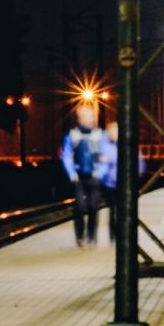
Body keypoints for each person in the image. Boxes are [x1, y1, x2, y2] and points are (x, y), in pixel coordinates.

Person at [60, 104, 106, 247]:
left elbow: (105, 155)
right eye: (85, 116)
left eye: (91, 116)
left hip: (94, 175)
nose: (89, 119)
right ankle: (80, 237)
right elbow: (67, 155)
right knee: (79, 206)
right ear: (79, 118)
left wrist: (100, 171)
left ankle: (91, 237)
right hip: (78, 176)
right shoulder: (72, 135)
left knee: (93, 206)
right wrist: (71, 172)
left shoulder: (99, 135)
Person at [100, 121, 145, 243]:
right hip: (112, 184)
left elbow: (139, 163)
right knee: (114, 211)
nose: (114, 134)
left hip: (127, 184)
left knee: (127, 210)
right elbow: (101, 165)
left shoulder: (130, 145)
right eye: (112, 132)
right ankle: (114, 236)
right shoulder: (106, 147)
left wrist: (135, 177)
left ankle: (128, 234)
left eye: (116, 131)